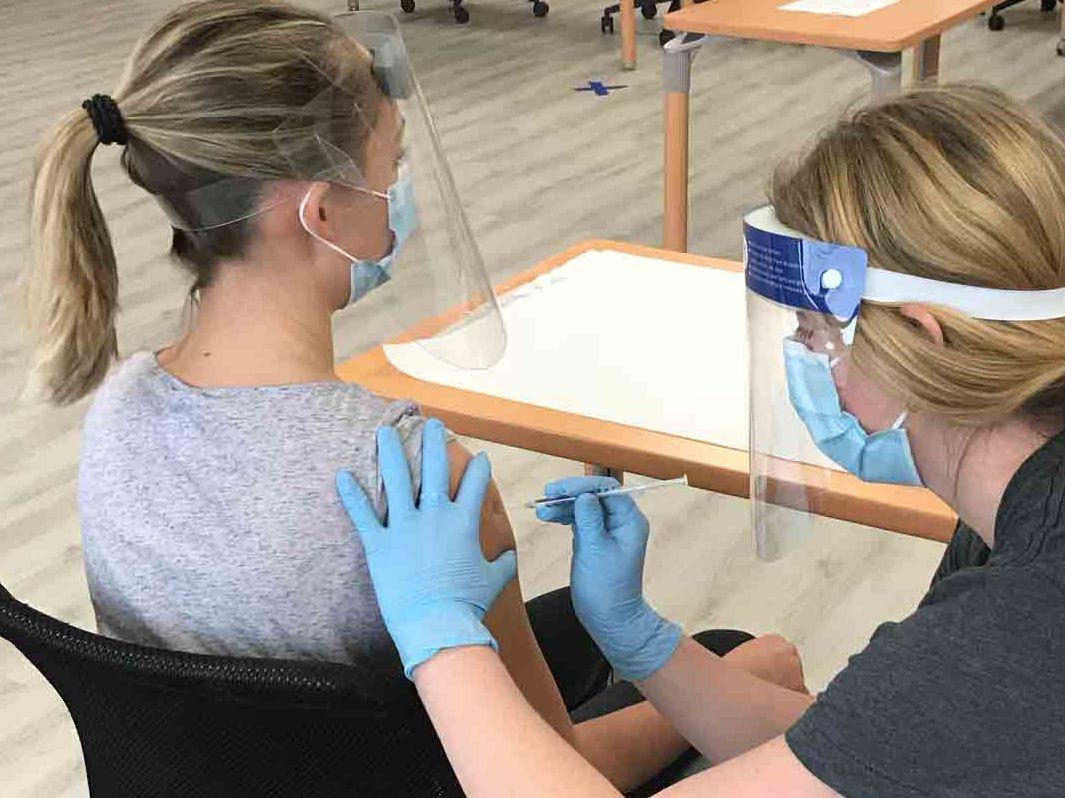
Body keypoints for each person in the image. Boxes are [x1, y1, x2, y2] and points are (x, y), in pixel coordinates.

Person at [338, 85, 1065, 797]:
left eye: (813, 333)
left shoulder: (1055, 616)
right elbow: (854, 748)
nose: (810, 364)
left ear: (921, 339)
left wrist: (442, 633)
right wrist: (636, 638)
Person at [21, 1, 803, 791]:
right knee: (747, 652)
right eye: (390, 170)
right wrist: (753, 676)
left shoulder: (118, 408)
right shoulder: (419, 480)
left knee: (575, 623)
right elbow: (563, 769)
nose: (399, 196)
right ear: (319, 212)